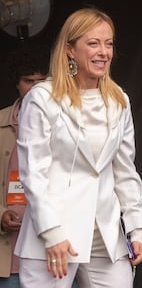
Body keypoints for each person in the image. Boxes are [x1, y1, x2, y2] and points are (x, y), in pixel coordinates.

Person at [14, 7, 142, 288]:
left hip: (105, 235)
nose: (104, 51)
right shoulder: (42, 99)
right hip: (53, 234)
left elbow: (125, 171)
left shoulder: (118, 101)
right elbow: (34, 175)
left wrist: (137, 227)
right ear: (69, 50)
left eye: (109, 43)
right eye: (93, 43)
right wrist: (51, 233)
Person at [0, 44, 49, 288]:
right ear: (16, 83)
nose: (36, 89)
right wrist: (0, 214)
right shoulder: (0, 124)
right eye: (29, 81)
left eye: (42, 82)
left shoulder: (68, 124)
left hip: (52, 252)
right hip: (8, 254)